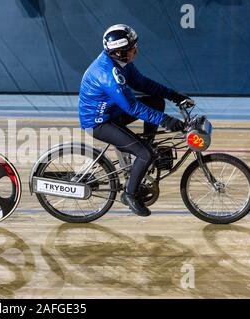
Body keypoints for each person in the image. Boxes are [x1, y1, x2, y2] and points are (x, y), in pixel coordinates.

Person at [78, 24, 195, 217]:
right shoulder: (109, 74)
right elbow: (132, 107)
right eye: (132, 48)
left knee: (156, 101)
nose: (136, 50)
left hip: (112, 113)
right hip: (99, 123)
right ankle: (130, 195)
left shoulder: (121, 63)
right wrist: (166, 121)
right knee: (146, 155)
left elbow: (143, 83)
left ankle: (144, 147)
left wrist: (174, 96)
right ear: (119, 52)